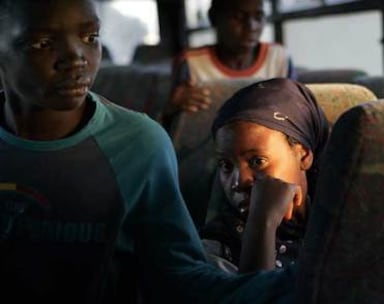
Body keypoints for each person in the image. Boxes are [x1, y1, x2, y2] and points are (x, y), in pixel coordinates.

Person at [0, 1, 297, 303]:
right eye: (43, 43)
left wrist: (305, 281)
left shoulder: (137, 144)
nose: (76, 58)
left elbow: (179, 277)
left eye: (90, 37)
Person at [200, 78, 329, 273]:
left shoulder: (339, 226)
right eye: (226, 165)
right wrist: (263, 223)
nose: (238, 182)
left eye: (257, 161)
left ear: (304, 155)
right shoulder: (216, 249)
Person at [162, 0, 296, 128]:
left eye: (258, 16)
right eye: (238, 16)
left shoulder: (279, 57)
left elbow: (296, 114)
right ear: (213, 18)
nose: (251, 26)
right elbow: (172, 130)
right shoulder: (191, 63)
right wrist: (173, 107)